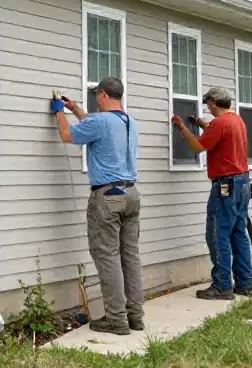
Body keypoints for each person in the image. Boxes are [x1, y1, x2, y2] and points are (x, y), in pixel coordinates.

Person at [51, 77, 143, 335]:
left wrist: (60, 113)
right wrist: (76, 109)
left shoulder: (99, 122)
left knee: (107, 256)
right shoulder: (129, 122)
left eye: (96, 96)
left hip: (108, 196)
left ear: (103, 95)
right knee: (130, 256)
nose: (95, 99)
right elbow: (96, 126)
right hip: (131, 194)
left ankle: (116, 319)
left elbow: (68, 135)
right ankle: (135, 316)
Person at [171, 86, 252, 300]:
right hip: (242, 183)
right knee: (238, 234)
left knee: (217, 234)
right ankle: (245, 284)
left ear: (214, 103)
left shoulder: (219, 123)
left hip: (225, 186)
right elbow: (221, 136)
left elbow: (198, 146)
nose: (207, 106)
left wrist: (182, 128)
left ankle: (222, 285)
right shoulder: (236, 120)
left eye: (208, 102)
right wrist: (203, 125)